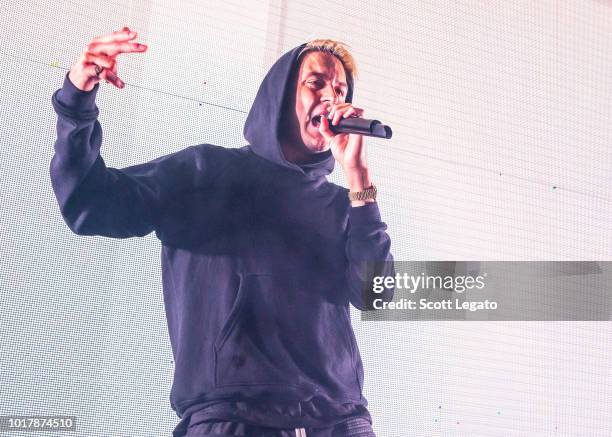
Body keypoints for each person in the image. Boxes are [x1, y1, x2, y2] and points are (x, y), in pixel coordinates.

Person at [50, 26, 395, 437]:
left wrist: (359, 179)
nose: (330, 99)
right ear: (281, 97)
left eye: (340, 91)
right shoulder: (205, 172)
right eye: (316, 83)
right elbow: (89, 204)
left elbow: (377, 295)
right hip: (235, 420)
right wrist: (77, 100)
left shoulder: (344, 206)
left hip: (341, 422)